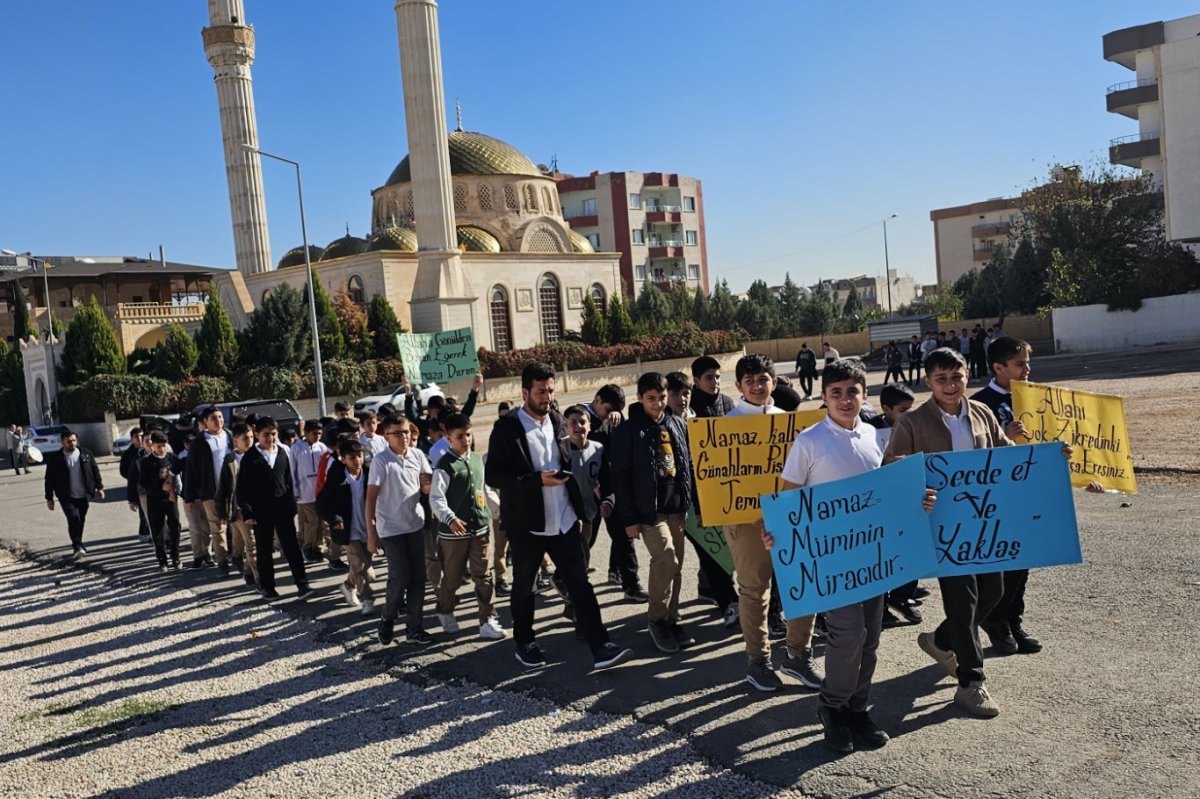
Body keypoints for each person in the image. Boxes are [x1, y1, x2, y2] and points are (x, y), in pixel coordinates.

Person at [883, 348, 1070, 717]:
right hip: (944, 528)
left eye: (957, 377)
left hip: (986, 524)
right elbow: (891, 466)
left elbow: (1005, 459)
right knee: (962, 600)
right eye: (942, 379)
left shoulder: (982, 413)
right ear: (928, 382)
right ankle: (971, 683)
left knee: (993, 592)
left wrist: (1051, 456)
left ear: (967, 375)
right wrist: (913, 480)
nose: (951, 386)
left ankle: (942, 639)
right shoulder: (913, 422)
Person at [767, 359, 937, 752]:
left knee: (870, 639)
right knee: (847, 637)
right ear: (824, 397)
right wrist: (777, 533)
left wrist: (919, 501)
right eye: (836, 392)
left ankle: (858, 709)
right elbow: (790, 497)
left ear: (865, 394)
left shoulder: (877, 437)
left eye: (852, 392)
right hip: (831, 560)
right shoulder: (809, 441)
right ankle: (832, 707)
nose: (845, 400)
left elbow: (891, 489)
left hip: (873, 557)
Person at [485, 362, 633, 672]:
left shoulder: (555, 418)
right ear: (525, 392)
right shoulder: (507, 428)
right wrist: (537, 480)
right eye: (540, 392)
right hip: (528, 525)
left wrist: (579, 507)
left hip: (564, 520)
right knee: (524, 586)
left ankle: (600, 644)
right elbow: (495, 475)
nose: (547, 397)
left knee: (579, 583)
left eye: (551, 390)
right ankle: (524, 643)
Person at [723, 355, 822, 691]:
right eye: (749, 380)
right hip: (746, 520)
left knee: (804, 584)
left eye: (763, 379)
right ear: (738, 386)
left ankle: (798, 656)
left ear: (774, 382)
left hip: (791, 515)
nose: (757, 386)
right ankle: (758, 662)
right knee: (754, 591)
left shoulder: (792, 424)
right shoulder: (724, 426)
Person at [611, 372, 696, 655]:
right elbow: (620, 477)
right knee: (665, 558)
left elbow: (687, 466)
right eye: (651, 399)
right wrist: (629, 518)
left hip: (676, 508)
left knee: (676, 565)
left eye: (661, 398)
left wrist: (692, 503)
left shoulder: (676, 424)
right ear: (639, 398)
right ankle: (656, 619)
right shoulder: (628, 431)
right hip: (649, 512)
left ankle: (672, 618)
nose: (658, 404)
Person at [972, 336, 1043, 656]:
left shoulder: (1034, 398)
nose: (1026, 368)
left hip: (1028, 490)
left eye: (1028, 362)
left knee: (1024, 562)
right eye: (1019, 364)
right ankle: (996, 620)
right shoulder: (980, 402)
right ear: (998, 367)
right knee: (1005, 565)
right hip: (996, 496)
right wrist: (1006, 438)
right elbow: (974, 456)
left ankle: (1013, 621)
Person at [667, 372, 738, 628]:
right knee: (704, 554)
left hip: (708, 498)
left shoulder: (698, 420)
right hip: (678, 505)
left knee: (718, 551)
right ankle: (669, 616)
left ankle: (726, 599)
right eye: (675, 394)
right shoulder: (662, 424)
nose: (681, 399)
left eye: (685, 393)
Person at [429, 413, 506, 640]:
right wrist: (449, 518)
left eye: (468, 435)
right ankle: (445, 609)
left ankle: (487, 619)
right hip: (454, 535)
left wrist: (500, 511)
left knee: (484, 575)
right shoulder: (444, 466)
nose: (466, 440)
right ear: (448, 438)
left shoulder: (476, 461)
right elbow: (436, 499)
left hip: (480, 529)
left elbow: (485, 490)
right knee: (452, 578)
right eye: (460, 436)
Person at [368, 415, 434, 646]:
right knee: (400, 577)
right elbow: (371, 498)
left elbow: (426, 489)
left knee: (418, 579)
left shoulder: (417, 455)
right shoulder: (381, 461)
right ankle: (388, 618)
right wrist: (371, 532)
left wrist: (428, 484)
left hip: (415, 524)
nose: (403, 437)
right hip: (391, 529)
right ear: (386, 437)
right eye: (397, 433)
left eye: (406, 432)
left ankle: (414, 628)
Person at [863, 383, 922, 627]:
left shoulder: (915, 427)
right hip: (878, 503)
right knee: (880, 553)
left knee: (911, 549)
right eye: (902, 410)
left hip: (906, 498)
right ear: (885, 409)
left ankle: (903, 595)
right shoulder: (871, 431)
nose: (908, 414)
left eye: (911, 408)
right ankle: (882, 604)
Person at [236, 416, 311, 601]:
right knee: (264, 550)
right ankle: (268, 587)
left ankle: (302, 584)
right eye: (266, 435)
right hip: (261, 511)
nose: (270, 438)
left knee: (291, 547)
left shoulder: (282, 452)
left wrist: (291, 504)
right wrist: (248, 511)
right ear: (257, 434)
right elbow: (243, 488)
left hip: (282, 507)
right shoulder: (250, 458)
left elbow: (287, 480)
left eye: (273, 434)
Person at [583, 384, 645, 603]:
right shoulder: (578, 416)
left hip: (610, 490)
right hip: (586, 491)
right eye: (607, 410)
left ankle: (631, 583)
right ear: (597, 400)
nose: (609, 415)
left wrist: (618, 416)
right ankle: (567, 580)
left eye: (613, 411)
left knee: (623, 537)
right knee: (585, 540)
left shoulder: (612, 421)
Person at [317, 438, 377, 616]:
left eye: (359, 455)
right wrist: (334, 518)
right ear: (343, 459)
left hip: (369, 528)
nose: (357, 460)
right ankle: (367, 599)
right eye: (352, 457)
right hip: (348, 531)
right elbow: (321, 503)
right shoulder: (336, 476)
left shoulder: (370, 473)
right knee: (362, 566)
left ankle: (348, 585)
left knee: (364, 568)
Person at [183, 406, 233, 572]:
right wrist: (189, 497)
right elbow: (191, 471)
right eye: (213, 418)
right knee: (217, 528)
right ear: (204, 422)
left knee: (236, 524)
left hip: (232, 490)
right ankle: (222, 561)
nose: (218, 421)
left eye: (220, 417)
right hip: (210, 492)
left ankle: (237, 556)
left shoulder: (229, 436)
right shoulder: (199, 443)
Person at [43, 429, 104, 557]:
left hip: (84, 494)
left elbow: (94, 470)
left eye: (74, 440)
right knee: (73, 518)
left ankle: (79, 543)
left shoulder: (86, 454)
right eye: (68, 441)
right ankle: (76, 546)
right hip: (66, 495)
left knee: (80, 520)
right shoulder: (55, 459)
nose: (72, 443)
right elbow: (49, 479)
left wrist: (100, 487)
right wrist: (49, 498)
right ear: (62, 442)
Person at [215, 422, 257, 587]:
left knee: (242, 543)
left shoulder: (257, 455)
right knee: (252, 544)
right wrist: (222, 513)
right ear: (235, 441)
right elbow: (223, 489)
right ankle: (259, 579)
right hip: (239, 510)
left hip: (257, 508)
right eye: (245, 438)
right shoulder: (230, 460)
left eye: (252, 437)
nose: (249, 441)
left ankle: (245, 568)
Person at [139, 430, 184, 571]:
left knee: (175, 526)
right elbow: (144, 483)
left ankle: (175, 557)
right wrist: (160, 487)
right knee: (157, 530)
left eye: (164, 445)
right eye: (158, 446)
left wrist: (174, 489)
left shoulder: (172, 457)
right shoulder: (146, 462)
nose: (162, 449)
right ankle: (162, 560)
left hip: (170, 499)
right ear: (152, 445)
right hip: (155, 500)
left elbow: (180, 468)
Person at [292, 419, 333, 565]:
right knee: (312, 521)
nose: (317, 436)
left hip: (320, 491)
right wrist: (295, 490)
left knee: (321, 522)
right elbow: (293, 470)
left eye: (319, 433)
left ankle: (318, 547)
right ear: (306, 433)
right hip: (304, 492)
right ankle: (307, 546)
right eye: (314, 433)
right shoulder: (297, 448)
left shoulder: (321, 447)